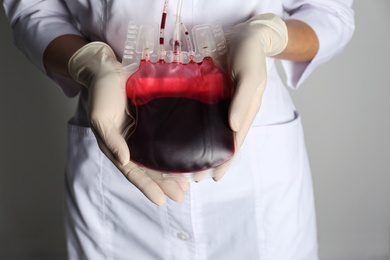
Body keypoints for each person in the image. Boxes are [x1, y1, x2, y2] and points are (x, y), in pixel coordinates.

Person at [2, 1, 354, 259]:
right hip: (118, 147)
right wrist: (91, 63)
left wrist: (266, 35)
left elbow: (331, 12)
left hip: (254, 172)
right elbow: (33, 9)